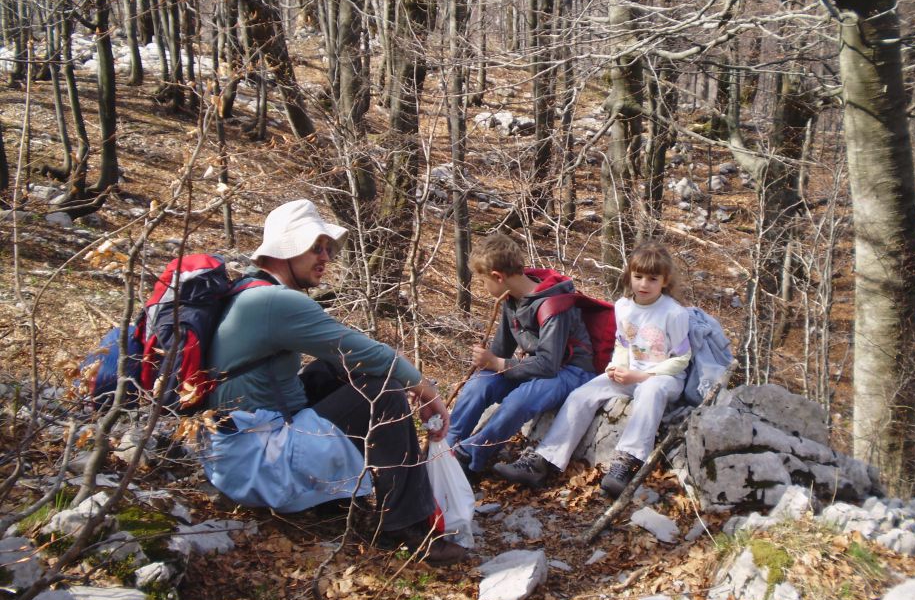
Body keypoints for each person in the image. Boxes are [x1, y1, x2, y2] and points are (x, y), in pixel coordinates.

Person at [203, 199, 466, 565]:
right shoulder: (274, 302)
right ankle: (406, 527)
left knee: (335, 371)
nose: (325, 257)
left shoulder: (248, 290)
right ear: (286, 249)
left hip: (235, 453)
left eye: (327, 248)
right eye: (316, 247)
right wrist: (426, 390)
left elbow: (345, 358)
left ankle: (339, 498)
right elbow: (368, 353)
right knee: (385, 392)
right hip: (257, 464)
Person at [493, 242, 690, 497]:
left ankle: (627, 461)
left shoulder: (674, 313)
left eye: (652, 279)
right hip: (630, 371)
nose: (644, 284)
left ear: (664, 281)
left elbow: (683, 357)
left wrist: (642, 376)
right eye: (638, 277)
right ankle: (543, 461)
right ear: (629, 276)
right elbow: (622, 342)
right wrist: (616, 366)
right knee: (581, 395)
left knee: (650, 392)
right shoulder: (623, 306)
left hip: (664, 376)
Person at [446, 233, 596, 478]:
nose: (484, 289)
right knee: (480, 385)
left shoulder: (552, 305)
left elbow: (549, 365)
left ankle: (471, 457)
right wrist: (486, 361)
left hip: (571, 371)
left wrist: (496, 362)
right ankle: (447, 446)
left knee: (519, 400)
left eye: (483, 282)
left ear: (498, 276)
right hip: (538, 366)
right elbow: (501, 350)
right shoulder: (511, 299)